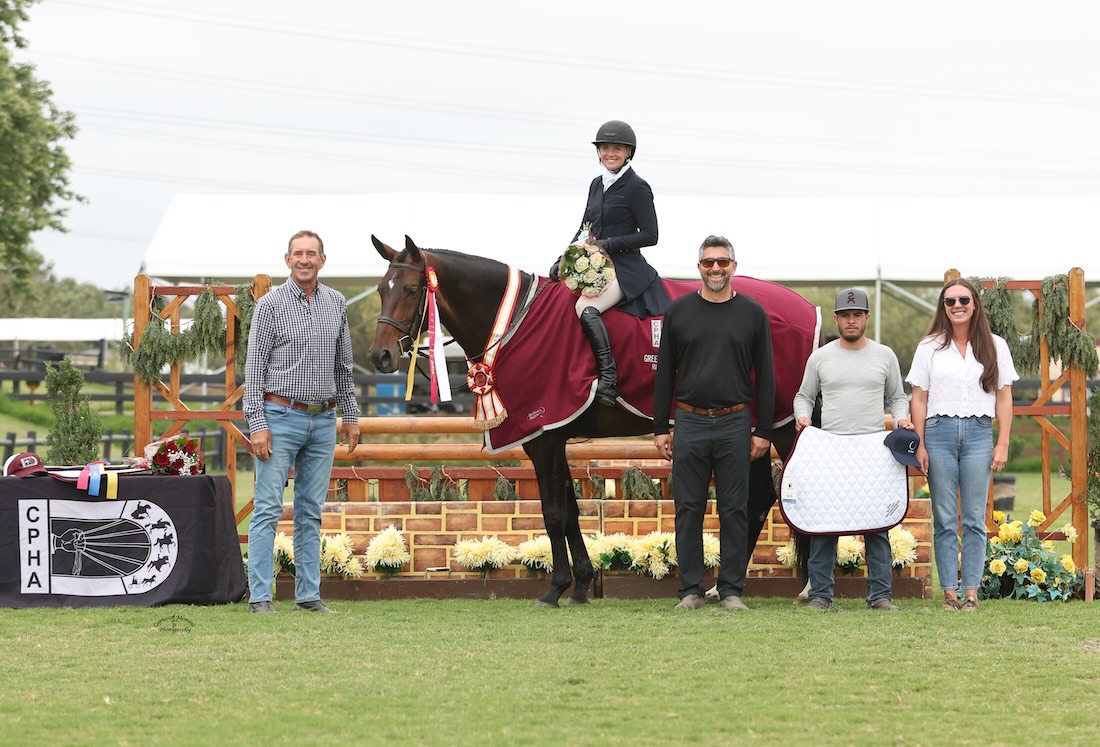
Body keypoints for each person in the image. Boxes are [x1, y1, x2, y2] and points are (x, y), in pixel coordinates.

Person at [653, 235, 775, 611]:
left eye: (722, 262)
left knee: (734, 509)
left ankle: (731, 590)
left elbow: (767, 376)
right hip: (688, 422)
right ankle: (690, 589)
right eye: (709, 263)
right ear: (700, 268)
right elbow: (665, 374)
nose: (716, 269)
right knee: (688, 507)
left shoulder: (753, 313)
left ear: (734, 267)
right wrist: (660, 426)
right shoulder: (679, 311)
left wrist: (764, 431)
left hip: (734, 423)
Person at [243, 230, 360, 614]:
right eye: (298, 254)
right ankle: (260, 597)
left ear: (322, 260)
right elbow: (254, 369)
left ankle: (308, 596)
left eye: (312, 254)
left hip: (324, 420)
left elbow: (344, 366)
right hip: (279, 417)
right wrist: (257, 424)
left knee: (310, 510)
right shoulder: (270, 306)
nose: (305, 260)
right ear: (287, 259)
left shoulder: (336, 303)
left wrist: (351, 415)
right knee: (268, 509)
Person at [793, 288, 913, 611]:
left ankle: (880, 596)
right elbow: (804, 396)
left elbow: (898, 397)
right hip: (830, 450)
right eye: (844, 315)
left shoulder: (885, 356)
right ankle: (820, 595)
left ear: (866, 318)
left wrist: (901, 420)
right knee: (824, 524)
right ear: (836, 318)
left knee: (877, 524)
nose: (851, 320)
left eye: (857, 314)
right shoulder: (820, 357)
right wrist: (802, 416)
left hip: (873, 451)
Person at [906, 278, 1018, 613]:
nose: (957, 306)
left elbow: (1004, 396)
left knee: (972, 517)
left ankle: (971, 593)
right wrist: (920, 444)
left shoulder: (995, 346)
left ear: (975, 304)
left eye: (963, 300)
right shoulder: (930, 347)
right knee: (943, 516)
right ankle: (948, 594)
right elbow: (919, 398)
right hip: (938, 433)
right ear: (943, 307)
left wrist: (1003, 443)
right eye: (949, 301)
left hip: (979, 434)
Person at [551, 120, 670, 407]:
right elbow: (584, 227)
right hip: (594, 264)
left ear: (629, 152)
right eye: (605, 148)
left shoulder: (637, 187)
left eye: (617, 149)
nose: (610, 153)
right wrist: (562, 259)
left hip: (627, 269)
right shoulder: (596, 184)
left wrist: (607, 244)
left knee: (585, 307)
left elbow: (651, 235)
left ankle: (608, 380)